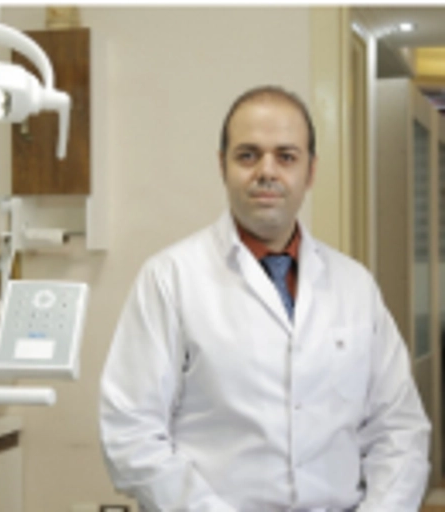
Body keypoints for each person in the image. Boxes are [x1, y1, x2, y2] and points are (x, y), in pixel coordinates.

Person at [99, 85, 430, 512]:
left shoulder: (355, 286)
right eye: (248, 155)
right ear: (223, 166)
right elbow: (130, 432)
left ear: (310, 171)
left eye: (286, 156)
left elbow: (399, 429)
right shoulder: (169, 279)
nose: (266, 171)